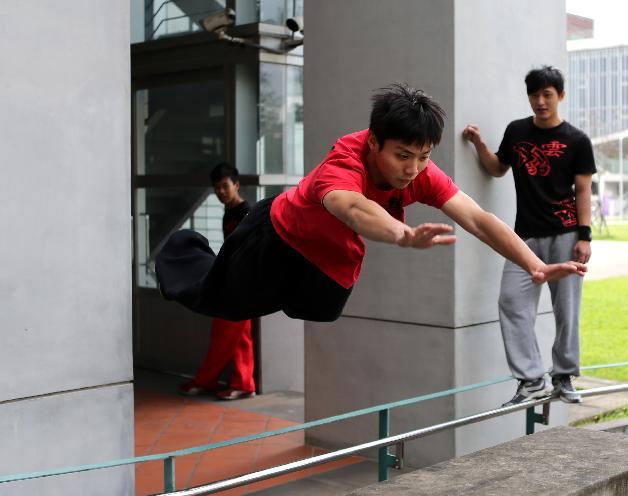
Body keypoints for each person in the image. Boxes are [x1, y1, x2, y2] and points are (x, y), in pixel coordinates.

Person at [155, 84, 586, 325]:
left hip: (326, 258)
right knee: (224, 304)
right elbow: (353, 208)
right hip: (276, 239)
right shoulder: (344, 161)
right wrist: (402, 234)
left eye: (423, 157)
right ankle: (181, 249)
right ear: (374, 142)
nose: (413, 169)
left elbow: (477, 218)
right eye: (402, 156)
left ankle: (276, 289)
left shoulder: (419, 170)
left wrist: (534, 264)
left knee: (322, 311)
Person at [462, 66, 596, 407]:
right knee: (510, 300)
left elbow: (583, 190)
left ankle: (563, 375)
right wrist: (479, 144)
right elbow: (497, 168)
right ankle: (531, 378)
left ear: (560, 96)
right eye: (535, 95)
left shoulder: (577, 140)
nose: (540, 101)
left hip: (566, 234)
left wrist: (585, 236)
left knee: (566, 309)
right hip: (524, 236)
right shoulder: (517, 132)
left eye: (547, 95)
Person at [178, 163, 256, 401]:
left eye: (225, 186)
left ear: (236, 185)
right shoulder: (229, 211)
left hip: (242, 282)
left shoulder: (246, 212)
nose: (221, 192)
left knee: (224, 333)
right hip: (234, 280)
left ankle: (206, 380)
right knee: (239, 336)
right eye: (217, 188)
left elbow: (250, 249)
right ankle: (244, 383)